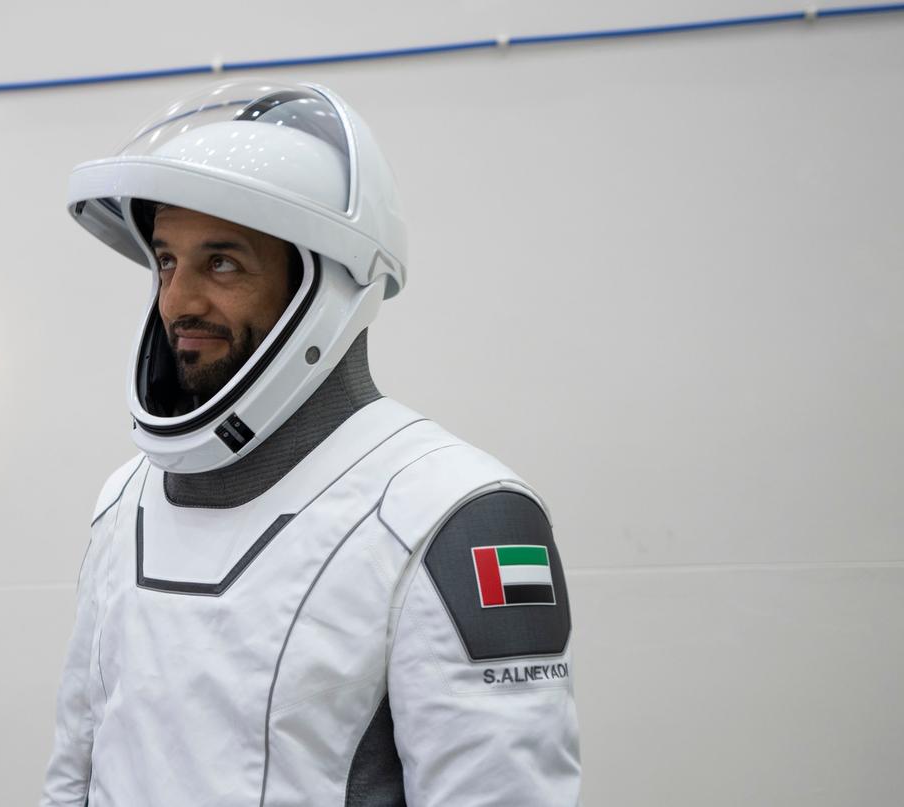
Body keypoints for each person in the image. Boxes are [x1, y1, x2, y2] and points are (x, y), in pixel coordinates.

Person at [41, 79, 581, 806]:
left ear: (323, 284)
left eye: (222, 262)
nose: (178, 300)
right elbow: (76, 767)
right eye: (168, 260)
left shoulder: (455, 515)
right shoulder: (125, 500)